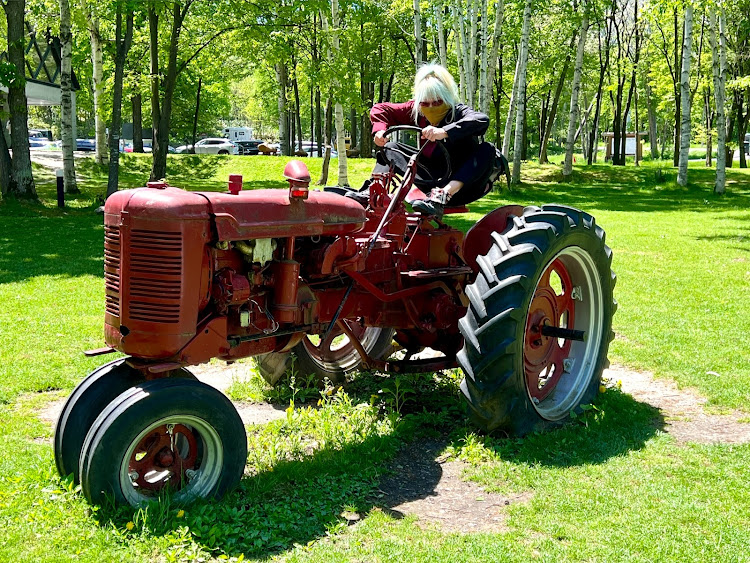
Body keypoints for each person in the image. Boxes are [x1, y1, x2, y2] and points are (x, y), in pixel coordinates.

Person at [347, 64, 497, 219]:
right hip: (429, 179)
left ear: (446, 98)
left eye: (437, 102)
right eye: (425, 103)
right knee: (390, 148)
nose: (431, 107)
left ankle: (442, 196)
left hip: (464, 185)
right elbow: (381, 109)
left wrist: (443, 132)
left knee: (488, 149)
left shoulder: (457, 112)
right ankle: (372, 192)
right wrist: (379, 130)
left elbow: (481, 120)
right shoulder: (417, 110)